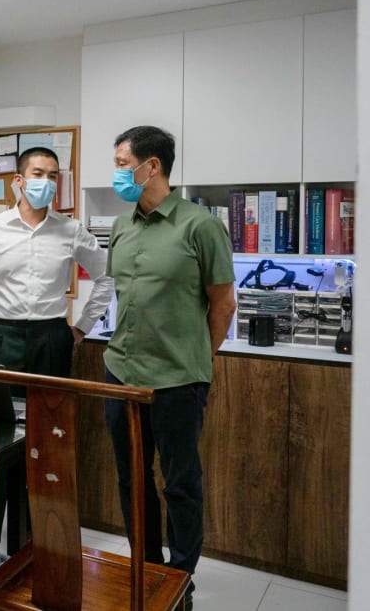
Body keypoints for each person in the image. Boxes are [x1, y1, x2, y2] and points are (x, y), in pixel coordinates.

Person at [103, 126, 236, 611]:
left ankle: (179, 579)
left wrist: (198, 358)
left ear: (151, 166)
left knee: (179, 483)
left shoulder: (200, 226)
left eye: (122, 162)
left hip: (178, 381)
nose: (118, 171)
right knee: (130, 479)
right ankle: (146, 568)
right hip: (121, 375)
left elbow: (223, 305)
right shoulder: (120, 227)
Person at [0, 145, 113, 541]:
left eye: (53, 175)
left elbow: (108, 276)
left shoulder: (70, 229)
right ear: (18, 181)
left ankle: (39, 542)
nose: (47, 182)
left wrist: (81, 327)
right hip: (0, 337)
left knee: (47, 441)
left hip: (51, 340)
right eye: (39, 173)